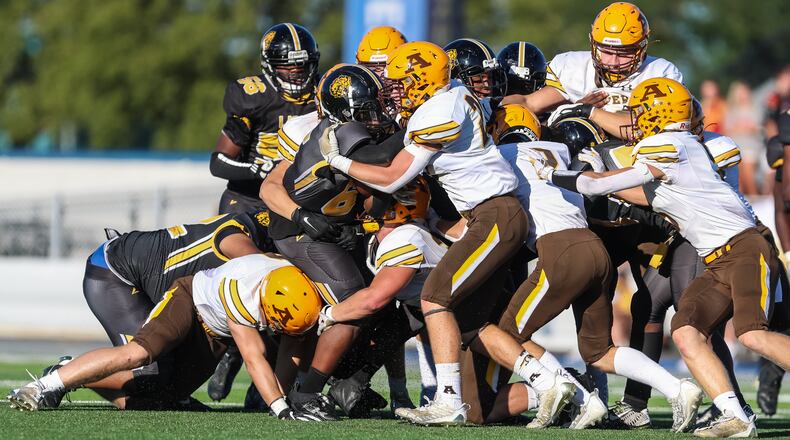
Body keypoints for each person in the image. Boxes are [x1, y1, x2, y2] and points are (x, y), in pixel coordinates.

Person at [536, 77, 790, 438]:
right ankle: (735, 416)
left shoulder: (668, 144)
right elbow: (643, 195)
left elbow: (595, 185)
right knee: (686, 332)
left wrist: (550, 173)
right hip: (717, 257)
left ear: (659, 115)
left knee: (752, 335)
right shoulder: (680, 149)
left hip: (745, 247)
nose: (634, 119)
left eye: (639, 112)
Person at [318, 41, 529, 425]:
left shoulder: (436, 111)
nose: (394, 91)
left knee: (435, 298)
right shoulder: (458, 95)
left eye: (400, 83)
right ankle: (549, 382)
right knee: (472, 320)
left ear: (420, 80)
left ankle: (450, 401)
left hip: (493, 214)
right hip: (486, 216)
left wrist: (337, 159)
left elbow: (392, 176)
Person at [8, 253, 323, 421]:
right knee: (139, 354)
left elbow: (292, 346)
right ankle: (43, 386)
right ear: (267, 301)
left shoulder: (294, 289)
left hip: (215, 329)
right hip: (189, 299)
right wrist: (282, 409)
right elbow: (253, 357)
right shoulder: (242, 292)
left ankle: (69, 372)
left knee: (163, 399)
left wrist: (281, 401)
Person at [502, 2, 682, 139]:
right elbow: (528, 103)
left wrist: (585, 111)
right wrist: (486, 105)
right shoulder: (573, 66)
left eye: (624, 53)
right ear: (593, 44)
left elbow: (644, 130)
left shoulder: (660, 73)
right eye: (606, 51)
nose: (614, 62)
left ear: (642, 48)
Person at [210, 23, 319, 215]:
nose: (295, 71)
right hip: (250, 199)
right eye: (286, 65)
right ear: (269, 65)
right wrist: (257, 169)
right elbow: (218, 163)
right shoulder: (253, 96)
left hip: (300, 200)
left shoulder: (322, 92)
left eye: (301, 64)